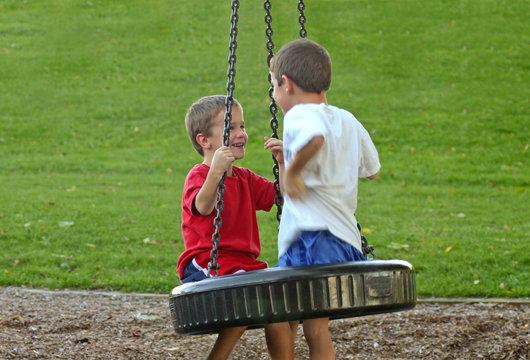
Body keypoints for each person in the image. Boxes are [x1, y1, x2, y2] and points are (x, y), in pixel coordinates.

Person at [266, 38, 381, 360]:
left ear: (286, 84)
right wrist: (288, 162)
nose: (275, 94)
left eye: (273, 86)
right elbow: (371, 171)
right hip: (344, 242)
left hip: (311, 238)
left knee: (277, 313)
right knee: (316, 327)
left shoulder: (299, 115)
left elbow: (315, 138)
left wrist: (292, 173)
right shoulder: (346, 118)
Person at [176, 95, 292, 360]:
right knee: (241, 303)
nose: (241, 134)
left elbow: (283, 195)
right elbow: (204, 206)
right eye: (230, 128)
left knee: (280, 308)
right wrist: (216, 172)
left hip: (243, 266)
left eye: (243, 126)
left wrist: (284, 163)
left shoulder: (245, 178)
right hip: (206, 264)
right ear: (204, 140)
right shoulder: (199, 175)